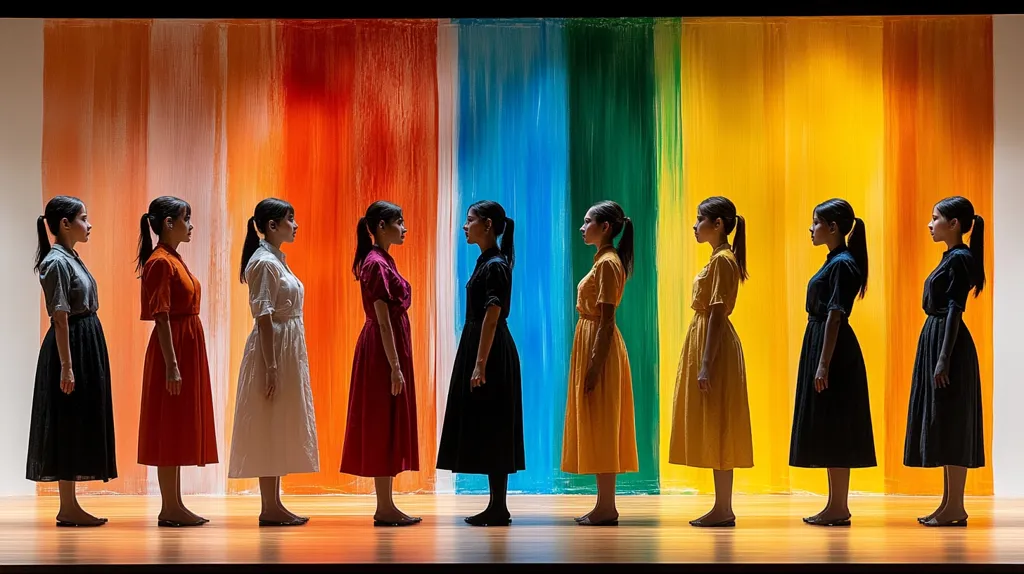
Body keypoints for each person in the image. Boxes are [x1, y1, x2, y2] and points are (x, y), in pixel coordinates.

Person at [228, 198, 319, 526]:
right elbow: (264, 315)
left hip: (285, 346)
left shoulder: (276, 260)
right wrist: (271, 367)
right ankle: (268, 506)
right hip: (273, 349)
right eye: (290, 219)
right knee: (268, 420)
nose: (295, 225)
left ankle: (274, 503)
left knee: (278, 420)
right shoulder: (264, 263)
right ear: (272, 225)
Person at [26, 196, 116, 527]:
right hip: (72, 346)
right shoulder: (56, 262)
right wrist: (67, 365)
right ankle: (67, 506)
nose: (89, 225)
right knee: (67, 420)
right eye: (83, 218)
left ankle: (71, 504)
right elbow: (60, 317)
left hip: (84, 343)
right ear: (65, 224)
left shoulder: (71, 258)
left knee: (78, 419)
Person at [437, 200, 524, 527]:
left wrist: (480, 363)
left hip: (490, 350)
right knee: (489, 423)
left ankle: (499, 507)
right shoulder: (488, 262)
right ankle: (496, 506)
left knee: (494, 423)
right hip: (481, 346)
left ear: (487, 225)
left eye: (470, 219)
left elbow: (492, 314)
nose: (465, 226)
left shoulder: (495, 265)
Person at [789, 198, 876, 527]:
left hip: (834, 350)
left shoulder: (842, 264)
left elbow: (836, 315)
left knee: (837, 425)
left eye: (816, 222)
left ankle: (839, 506)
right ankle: (835, 504)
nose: (811, 229)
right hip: (823, 343)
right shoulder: (836, 261)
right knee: (830, 424)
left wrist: (823, 363)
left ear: (833, 227)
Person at [668, 196, 753, 527]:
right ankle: (722, 506)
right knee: (717, 420)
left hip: (713, 346)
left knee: (720, 421)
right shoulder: (721, 259)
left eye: (700, 219)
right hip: (707, 341)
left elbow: (717, 313)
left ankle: (723, 507)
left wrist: (706, 363)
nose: (695, 225)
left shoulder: (722, 261)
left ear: (717, 224)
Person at [136, 195, 218, 527]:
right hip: (173, 350)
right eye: (187, 218)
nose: (191, 225)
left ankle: (175, 504)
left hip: (185, 347)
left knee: (178, 422)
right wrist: (171, 364)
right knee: (168, 423)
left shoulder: (173, 259)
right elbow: (161, 315)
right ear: (170, 223)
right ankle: (169, 506)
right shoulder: (160, 262)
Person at [904, 196, 986, 528]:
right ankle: (949, 504)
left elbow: (955, 309)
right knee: (945, 419)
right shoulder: (952, 257)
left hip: (948, 345)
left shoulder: (960, 258)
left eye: (935, 218)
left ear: (954, 224)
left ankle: (956, 506)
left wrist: (943, 358)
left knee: (952, 421)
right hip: (937, 339)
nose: (930, 224)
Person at [340, 201, 421, 527]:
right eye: (399, 222)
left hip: (389, 348)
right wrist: (395, 366)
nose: (404, 228)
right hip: (382, 351)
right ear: (383, 226)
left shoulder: (382, 260)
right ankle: (384, 506)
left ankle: (387, 505)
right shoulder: (375, 264)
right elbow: (383, 320)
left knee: (387, 421)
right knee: (381, 421)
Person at [561, 200, 637, 527]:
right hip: (592, 342)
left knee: (603, 423)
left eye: (587, 221)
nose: (582, 228)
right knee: (598, 423)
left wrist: (594, 366)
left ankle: (607, 506)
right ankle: (603, 504)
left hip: (599, 347)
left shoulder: (607, 263)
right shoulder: (604, 261)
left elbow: (607, 320)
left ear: (605, 227)